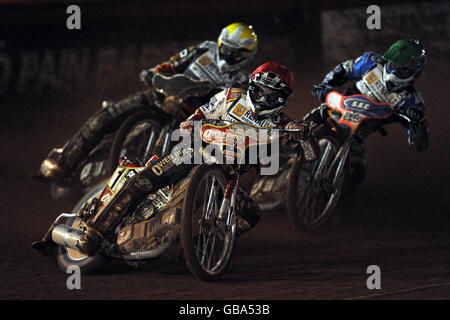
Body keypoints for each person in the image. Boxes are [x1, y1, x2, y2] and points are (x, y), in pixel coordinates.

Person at [74, 62, 309, 255]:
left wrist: (305, 137)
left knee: (250, 215)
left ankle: (202, 247)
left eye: (273, 96)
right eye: (261, 91)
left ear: (284, 99)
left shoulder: (284, 124)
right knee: (144, 181)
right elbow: (198, 115)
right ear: (252, 87)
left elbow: (308, 155)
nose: (265, 99)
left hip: (231, 176)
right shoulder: (230, 97)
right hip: (194, 153)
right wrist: (193, 124)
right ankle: (96, 232)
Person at [37, 22, 258, 186]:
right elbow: (174, 63)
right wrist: (157, 72)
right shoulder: (204, 49)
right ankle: (65, 164)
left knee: (176, 163)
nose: (228, 55)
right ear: (220, 42)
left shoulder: (242, 80)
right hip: (161, 97)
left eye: (236, 53)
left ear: (248, 55)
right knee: (105, 116)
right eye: (226, 48)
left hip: (188, 119)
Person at [305, 39, 429, 187]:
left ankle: (329, 199)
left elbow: (418, 145)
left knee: (357, 173)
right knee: (307, 124)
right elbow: (344, 70)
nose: (394, 70)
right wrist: (325, 85)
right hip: (337, 109)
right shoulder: (370, 62)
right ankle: (281, 151)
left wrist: (417, 123)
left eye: (400, 69)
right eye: (392, 64)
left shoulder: (412, 101)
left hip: (356, 135)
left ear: (414, 71)